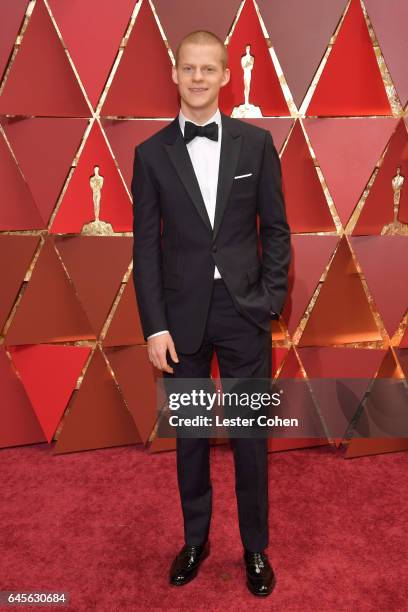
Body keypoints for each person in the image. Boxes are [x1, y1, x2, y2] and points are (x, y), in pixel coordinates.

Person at [131, 30, 290, 597]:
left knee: (250, 436)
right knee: (192, 437)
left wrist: (270, 300)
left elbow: (275, 230)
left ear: (225, 76)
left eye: (208, 69)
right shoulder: (150, 155)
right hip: (181, 318)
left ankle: (255, 549)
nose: (198, 78)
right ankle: (195, 539)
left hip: (245, 313)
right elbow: (144, 247)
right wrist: (154, 325)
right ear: (174, 74)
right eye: (188, 68)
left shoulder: (256, 143)